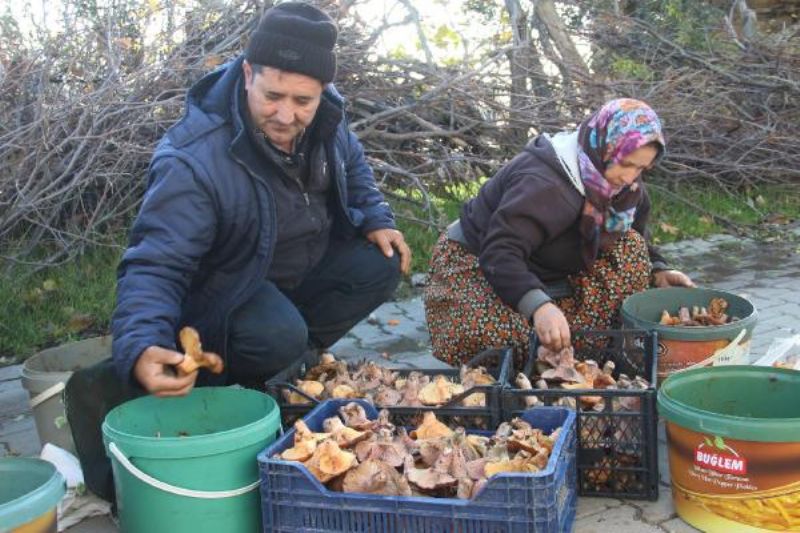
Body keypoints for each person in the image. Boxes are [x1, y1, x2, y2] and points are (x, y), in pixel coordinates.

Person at [112, 2, 410, 395]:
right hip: (229, 288)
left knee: (381, 262)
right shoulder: (193, 157)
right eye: (273, 96)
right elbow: (156, 263)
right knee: (275, 333)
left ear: (322, 91)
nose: (286, 116)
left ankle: (290, 364)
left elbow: (351, 160)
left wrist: (376, 217)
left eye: (302, 102)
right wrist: (141, 344)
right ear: (249, 74)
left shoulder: (327, 113)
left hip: (298, 269)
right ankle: (221, 375)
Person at [423, 98, 694, 368]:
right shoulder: (544, 184)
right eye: (626, 163)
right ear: (604, 145)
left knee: (631, 251)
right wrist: (539, 306)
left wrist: (658, 269)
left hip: (551, 259)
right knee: (500, 337)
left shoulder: (625, 189)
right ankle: (515, 371)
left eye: (641, 168)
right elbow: (500, 252)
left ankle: (591, 359)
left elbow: (635, 233)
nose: (630, 177)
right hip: (480, 262)